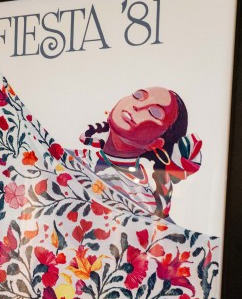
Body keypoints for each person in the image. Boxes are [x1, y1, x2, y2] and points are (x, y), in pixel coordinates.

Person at [79, 87, 202, 220]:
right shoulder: (74, 158)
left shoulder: (144, 200)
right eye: (138, 95)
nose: (137, 106)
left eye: (154, 112)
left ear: (156, 143)